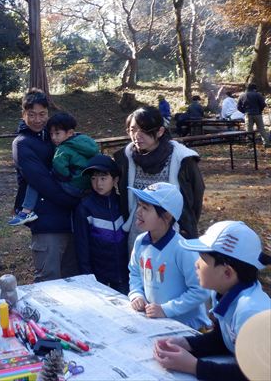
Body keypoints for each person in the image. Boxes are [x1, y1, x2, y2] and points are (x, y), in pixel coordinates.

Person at [153, 221, 271, 380]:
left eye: (202, 258)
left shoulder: (250, 311)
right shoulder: (222, 293)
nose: (196, 263)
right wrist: (186, 344)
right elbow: (225, 339)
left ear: (227, 273)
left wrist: (193, 366)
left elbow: (254, 374)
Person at [11, 89, 81, 282]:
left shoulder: (54, 136)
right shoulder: (22, 144)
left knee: (74, 281)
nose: (37, 119)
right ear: (23, 114)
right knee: (49, 281)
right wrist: (75, 200)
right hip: (46, 225)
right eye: (31, 115)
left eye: (42, 114)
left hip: (71, 222)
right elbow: (43, 183)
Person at [114, 106, 205, 251]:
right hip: (137, 233)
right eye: (133, 130)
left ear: (160, 131)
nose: (137, 135)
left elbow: (195, 196)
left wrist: (187, 225)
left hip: (174, 233)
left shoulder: (182, 159)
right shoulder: (126, 158)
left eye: (144, 130)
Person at [128, 182, 210, 329]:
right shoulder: (140, 242)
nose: (138, 212)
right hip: (156, 323)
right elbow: (135, 273)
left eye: (145, 208)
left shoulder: (183, 249)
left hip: (188, 328)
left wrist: (167, 309)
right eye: (139, 205)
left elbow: (200, 291)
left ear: (166, 215)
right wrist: (137, 295)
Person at [9, 111, 99, 225]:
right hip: (86, 187)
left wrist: (63, 176)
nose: (53, 138)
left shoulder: (63, 148)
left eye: (57, 133)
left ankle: (26, 211)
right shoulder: (86, 142)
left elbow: (60, 167)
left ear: (70, 133)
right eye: (51, 134)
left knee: (36, 180)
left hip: (72, 186)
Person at [73, 154, 128, 294]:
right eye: (93, 178)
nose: (98, 184)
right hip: (99, 276)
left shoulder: (123, 204)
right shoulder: (85, 207)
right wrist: (87, 276)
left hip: (125, 273)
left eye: (103, 178)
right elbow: (82, 245)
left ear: (115, 179)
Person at [237, 83, 269, 147]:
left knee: (249, 130)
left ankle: (250, 144)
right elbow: (263, 104)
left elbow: (238, 107)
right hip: (258, 114)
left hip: (248, 115)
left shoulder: (242, 95)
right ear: (254, 88)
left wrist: (244, 111)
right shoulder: (258, 95)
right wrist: (260, 110)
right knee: (261, 129)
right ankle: (266, 143)